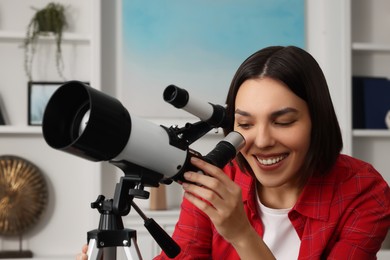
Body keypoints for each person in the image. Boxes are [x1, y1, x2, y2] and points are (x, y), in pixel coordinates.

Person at [77, 46, 390, 259]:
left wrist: (241, 234)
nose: (263, 140)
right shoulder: (221, 179)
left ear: (316, 120)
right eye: (245, 123)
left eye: (283, 121)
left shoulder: (363, 191)